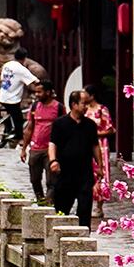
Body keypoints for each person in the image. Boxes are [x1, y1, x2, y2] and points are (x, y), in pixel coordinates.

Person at [47, 90, 101, 227]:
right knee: (62, 206)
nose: (86, 107)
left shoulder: (90, 125)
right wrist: (53, 161)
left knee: (84, 206)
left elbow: (95, 146)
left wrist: (100, 166)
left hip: (85, 172)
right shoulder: (60, 123)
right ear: (74, 104)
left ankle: (84, 236)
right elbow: (53, 144)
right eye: (83, 103)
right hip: (65, 171)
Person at [22, 82, 61, 202]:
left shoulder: (58, 107)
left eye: (39, 92)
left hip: (51, 150)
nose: (37, 94)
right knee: (34, 178)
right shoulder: (34, 107)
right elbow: (29, 128)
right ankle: (40, 199)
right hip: (35, 149)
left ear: (48, 92)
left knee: (52, 180)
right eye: (36, 92)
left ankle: (49, 203)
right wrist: (24, 148)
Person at [0, 48, 38, 148]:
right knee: (18, 119)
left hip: (3, 95)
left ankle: (7, 134)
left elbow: (2, 78)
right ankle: (18, 137)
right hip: (12, 99)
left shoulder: (7, 65)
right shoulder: (21, 69)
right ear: (24, 58)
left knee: (11, 117)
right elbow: (34, 80)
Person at [86, 93, 116, 221]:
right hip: (86, 144)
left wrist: (95, 133)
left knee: (101, 173)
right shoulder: (85, 110)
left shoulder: (102, 109)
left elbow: (111, 129)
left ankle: (99, 206)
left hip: (101, 145)